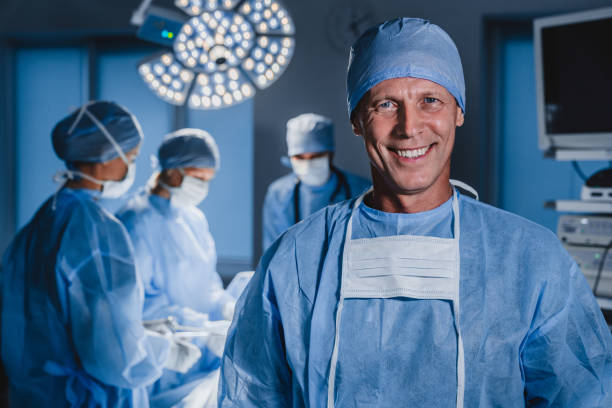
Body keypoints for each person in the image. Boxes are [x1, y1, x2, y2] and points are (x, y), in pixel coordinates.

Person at [218, 18, 612, 406]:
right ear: (357, 120)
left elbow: (583, 396)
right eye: (386, 104)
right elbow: (252, 396)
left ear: (458, 111)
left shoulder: (530, 259)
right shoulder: (296, 261)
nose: (410, 127)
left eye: (430, 101)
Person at [1, 101, 201, 407]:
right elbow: (115, 357)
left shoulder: (45, 219)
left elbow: (58, 318)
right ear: (105, 158)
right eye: (130, 157)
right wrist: (166, 352)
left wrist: (141, 328)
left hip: (39, 394)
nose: (130, 168)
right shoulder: (95, 230)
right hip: (85, 398)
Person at [117, 128, 235, 407]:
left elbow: (208, 283)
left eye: (209, 179)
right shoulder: (135, 222)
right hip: (164, 357)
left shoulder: (194, 219)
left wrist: (227, 307)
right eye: (198, 178)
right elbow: (138, 305)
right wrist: (201, 329)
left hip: (202, 357)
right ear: (172, 171)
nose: (203, 186)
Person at [262, 113, 371, 250]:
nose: (308, 164)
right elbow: (273, 253)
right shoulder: (278, 194)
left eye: (317, 156)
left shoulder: (361, 190)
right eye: (300, 157)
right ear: (290, 157)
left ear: (330, 154)